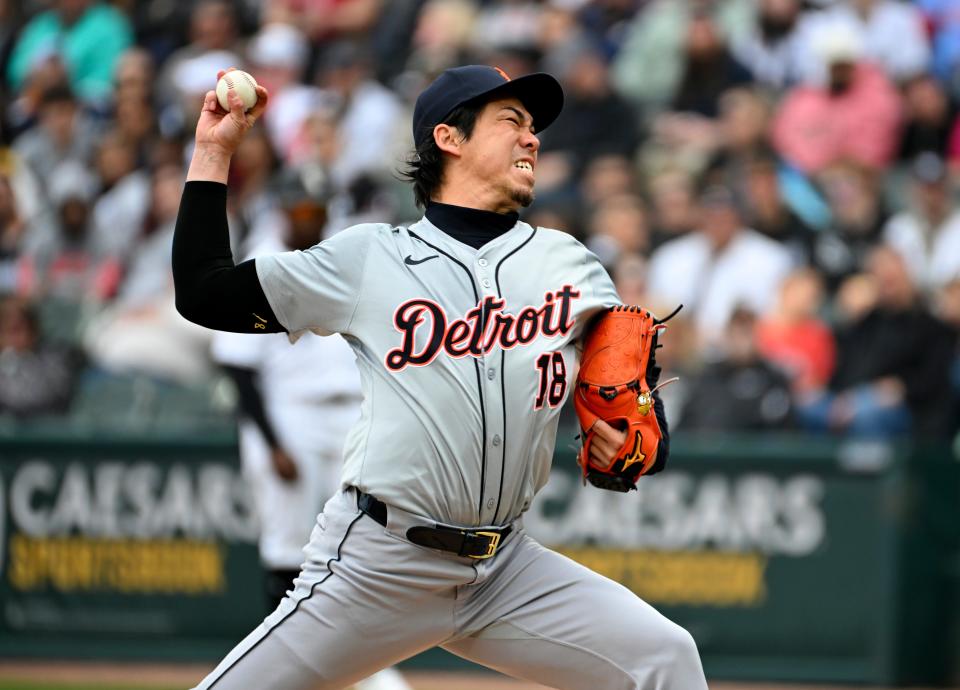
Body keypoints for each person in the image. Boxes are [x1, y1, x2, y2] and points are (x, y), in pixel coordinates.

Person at [174, 64, 707, 690]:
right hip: (378, 564)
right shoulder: (368, 257)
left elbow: (630, 396)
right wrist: (213, 151)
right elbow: (203, 291)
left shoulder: (572, 265)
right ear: (450, 139)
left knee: (666, 658)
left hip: (505, 571)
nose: (532, 138)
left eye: (534, 127)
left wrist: (642, 437)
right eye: (512, 121)